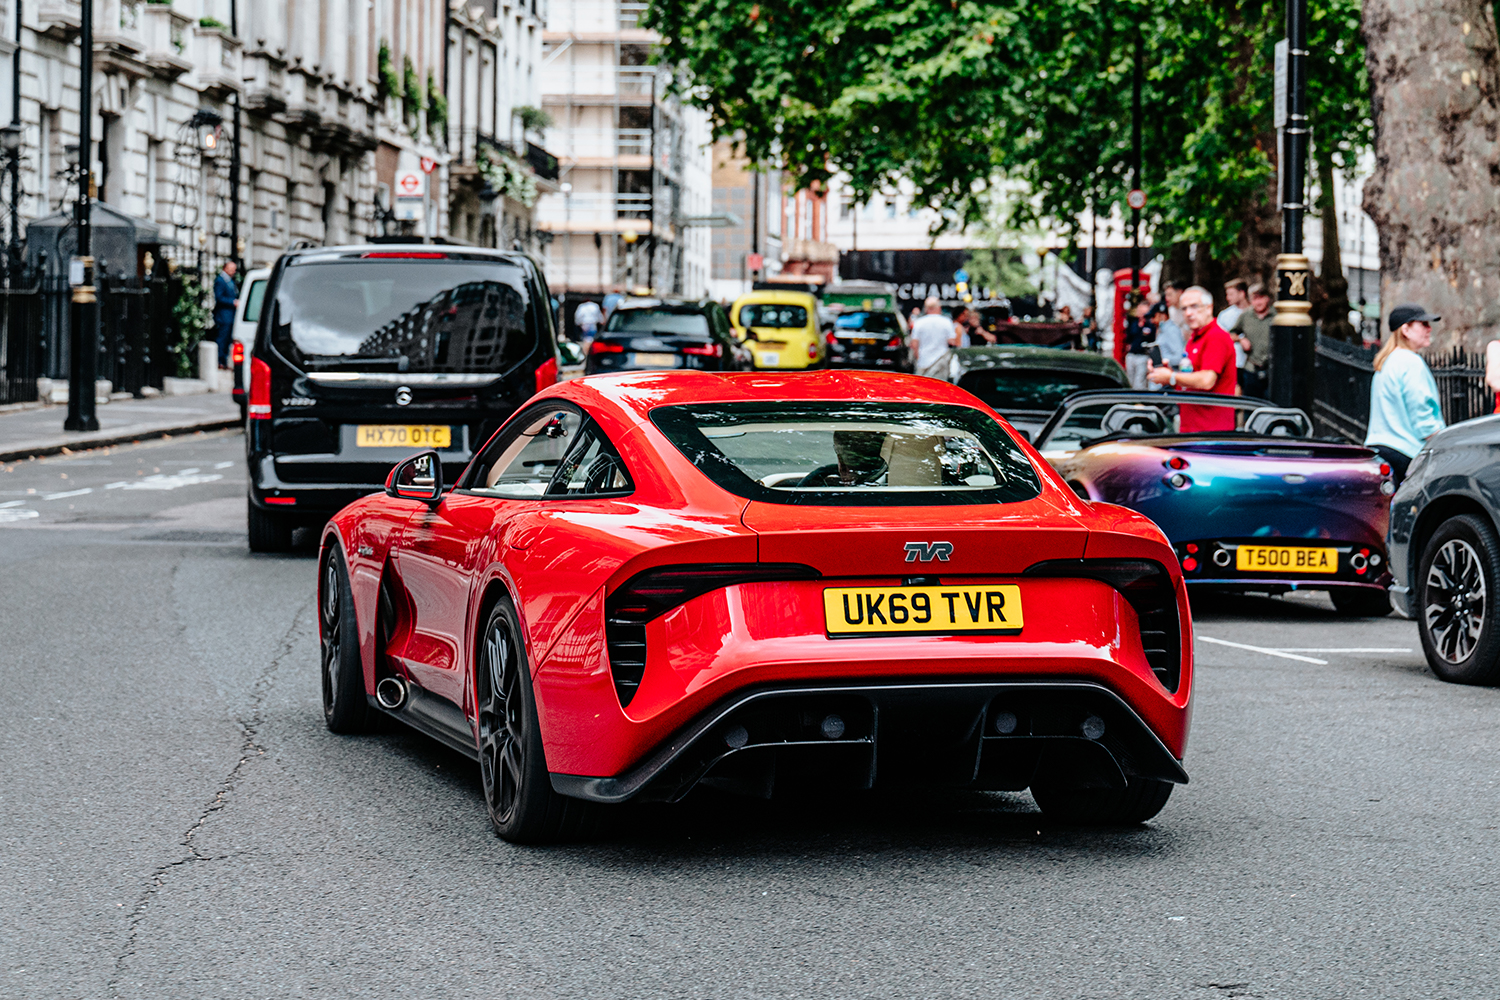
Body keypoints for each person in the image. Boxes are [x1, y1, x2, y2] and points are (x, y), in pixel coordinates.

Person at [1365, 304, 1446, 486]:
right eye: (1423, 324)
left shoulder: (1386, 362)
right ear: (1406, 329)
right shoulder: (1411, 362)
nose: (1429, 329)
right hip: (1407, 453)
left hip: (1381, 448)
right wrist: (1441, 439)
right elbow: (1422, 414)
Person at [1148, 285, 1237, 431]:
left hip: (1211, 430)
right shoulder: (1194, 338)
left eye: (1195, 307)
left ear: (1209, 308)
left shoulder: (1216, 336)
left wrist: (1171, 377)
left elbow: (1206, 381)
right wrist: (1167, 374)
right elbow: (1188, 382)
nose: (1189, 313)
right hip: (1193, 426)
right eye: (1184, 308)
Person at [1230, 283, 1274, 396]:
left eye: (1261, 298)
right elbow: (1231, 334)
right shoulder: (1245, 316)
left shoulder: (1276, 316)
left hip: (1272, 369)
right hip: (1251, 368)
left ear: (1267, 298)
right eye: (1255, 299)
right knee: (1250, 406)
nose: (1258, 302)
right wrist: (1241, 339)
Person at [908, 296, 959, 378]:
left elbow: (914, 344)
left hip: (923, 361)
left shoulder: (919, 322)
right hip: (940, 361)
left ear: (926, 308)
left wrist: (918, 358)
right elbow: (952, 341)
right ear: (938, 308)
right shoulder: (946, 322)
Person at [1149, 282, 1186, 368]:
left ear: (1180, 292)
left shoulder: (1188, 311)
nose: (1167, 298)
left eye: (1170, 295)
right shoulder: (1170, 311)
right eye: (1166, 295)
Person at [1123, 296, 1156, 390]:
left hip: (1143, 356)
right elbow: (1128, 337)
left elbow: (1152, 340)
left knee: (1139, 382)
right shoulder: (1133, 322)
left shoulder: (1150, 325)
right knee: (1129, 380)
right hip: (1131, 355)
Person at [213, 260, 238, 369]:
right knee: (222, 339)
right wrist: (232, 302)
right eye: (231, 269)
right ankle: (220, 360)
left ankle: (224, 360)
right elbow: (219, 297)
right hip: (224, 315)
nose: (233, 271)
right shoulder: (220, 280)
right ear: (225, 268)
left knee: (228, 339)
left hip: (230, 315)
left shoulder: (229, 280)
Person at [1220, 279, 1249, 372]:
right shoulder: (1225, 315)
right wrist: (1239, 338)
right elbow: (1221, 337)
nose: (1228, 298)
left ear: (1242, 294)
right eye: (1227, 295)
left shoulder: (1254, 312)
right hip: (1235, 362)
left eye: (1231, 294)